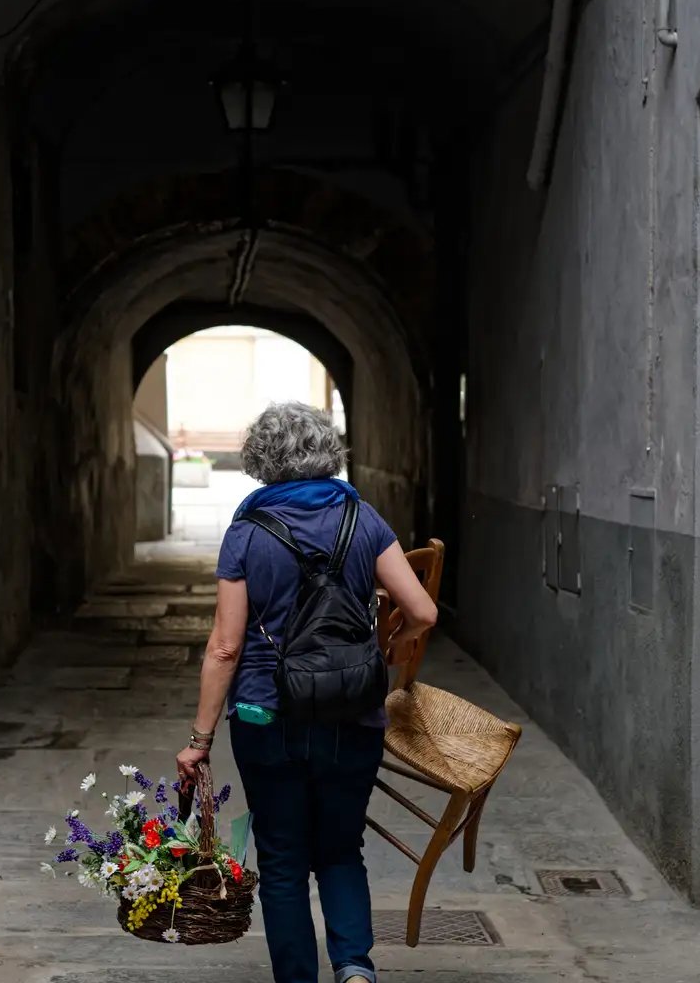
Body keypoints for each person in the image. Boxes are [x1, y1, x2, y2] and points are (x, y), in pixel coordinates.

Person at [176, 402, 439, 983]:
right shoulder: (363, 519)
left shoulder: (247, 531)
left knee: (283, 859)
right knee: (342, 848)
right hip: (353, 711)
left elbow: (225, 647)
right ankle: (355, 968)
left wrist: (200, 739)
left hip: (265, 715)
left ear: (261, 460)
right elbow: (422, 611)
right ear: (328, 451)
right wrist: (391, 646)